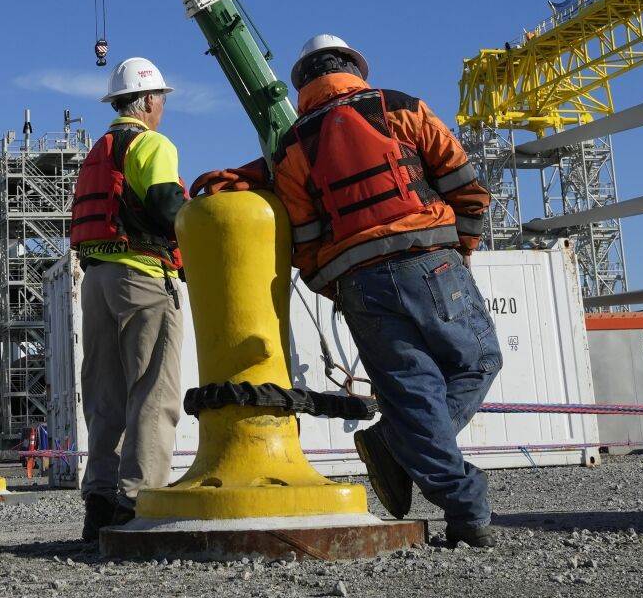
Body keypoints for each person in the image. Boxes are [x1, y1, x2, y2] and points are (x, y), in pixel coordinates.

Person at [192, 33, 500, 548]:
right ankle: (398, 446)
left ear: (303, 87)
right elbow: (462, 180)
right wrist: (460, 250)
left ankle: (461, 504)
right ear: (354, 68)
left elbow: (305, 236)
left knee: (412, 392)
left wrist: (340, 287)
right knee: (477, 362)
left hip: (361, 281)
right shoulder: (400, 106)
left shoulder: (294, 145)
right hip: (432, 263)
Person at [70, 56, 187, 543]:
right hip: (140, 275)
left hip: (95, 281)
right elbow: (165, 206)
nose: (162, 109)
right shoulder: (150, 143)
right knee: (152, 391)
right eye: (161, 100)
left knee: (105, 397)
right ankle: (138, 504)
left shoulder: (98, 151)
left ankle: (99, 503)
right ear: (149, 102)